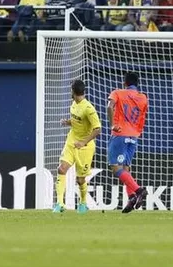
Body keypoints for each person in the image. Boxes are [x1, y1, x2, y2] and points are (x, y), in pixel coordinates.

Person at [53, 80, 102, 214]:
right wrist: (68, 122)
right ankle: (59, 203)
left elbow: (97, 129)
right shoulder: (74, 104)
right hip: (71, 141)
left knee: (80, 180)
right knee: (62, 169)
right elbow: (77, 121)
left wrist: (83, 142)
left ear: (73, 92)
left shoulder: (89, 109)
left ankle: (83, 203)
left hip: (85, 147)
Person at [107, 72, 149, 213]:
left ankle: (138, 190)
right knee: (126, 168)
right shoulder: (143, 98)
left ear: (124, 82)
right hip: (134, 136)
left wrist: (113, 124)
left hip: (120, 134)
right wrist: (136, 132)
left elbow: (109, 106)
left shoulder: (118, 93)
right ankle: (131, 197)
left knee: (116, 168)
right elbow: (142, 117)